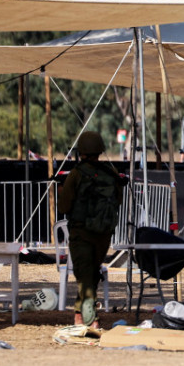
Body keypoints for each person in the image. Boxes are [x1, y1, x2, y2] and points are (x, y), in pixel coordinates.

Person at [58, 131, 124, 328]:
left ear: (82, 151)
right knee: (91, 275)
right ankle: (80, 316)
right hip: (103, 233)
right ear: (100, 150)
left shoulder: (76, 174)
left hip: (81, 233)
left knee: (84, 275)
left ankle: (90, 319)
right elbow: (117, 201)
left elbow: (64, 207)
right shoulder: (111, 173)